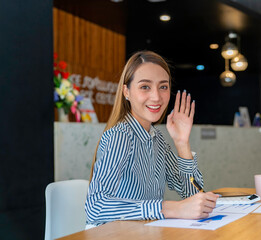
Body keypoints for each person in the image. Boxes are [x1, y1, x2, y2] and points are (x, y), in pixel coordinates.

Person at [85, 50, 219, 228]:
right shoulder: (120, 136)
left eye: (163, 87)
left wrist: (182, 143)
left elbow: (191, 195)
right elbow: (95, 207)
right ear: (126, 91)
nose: (156, 97)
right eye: (145, 87)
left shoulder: (157, 139)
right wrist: (167, 208)